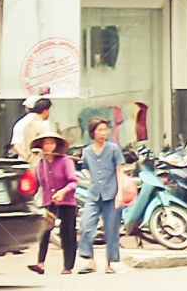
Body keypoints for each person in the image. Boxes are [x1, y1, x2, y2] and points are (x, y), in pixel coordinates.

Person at [77, 117, 125, 274]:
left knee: (111, 230)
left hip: (111, 194)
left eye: (105, 130)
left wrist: (120, 193)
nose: (103, 133)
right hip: (93, 194)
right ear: (93, 132)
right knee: (86, 226)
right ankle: (90, 261)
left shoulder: (113, 148)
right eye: (100, 130)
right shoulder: (87, 151)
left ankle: (109, 264)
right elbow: (88, 170)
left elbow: (119, 171)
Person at [28, 130, 78, 276]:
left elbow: (73, 181)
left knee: (67, 233)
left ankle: (68, 266)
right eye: (46, 143)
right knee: (44, 231)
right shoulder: (40, 164)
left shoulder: (65, 161)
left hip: (66, 202)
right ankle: (40, 263)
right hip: (49, 202)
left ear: (56, 145)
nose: (49, 146)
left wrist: (63, 192)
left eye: (51, 143)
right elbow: (36, 185)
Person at [15, 97, 52, 162]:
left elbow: (16, 145)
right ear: (45, 111)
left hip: (27, 161)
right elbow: (48, 147)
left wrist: (28, 158)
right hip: (41, 161)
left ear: (26, 108)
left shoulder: (22, 124)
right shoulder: (44, 124)